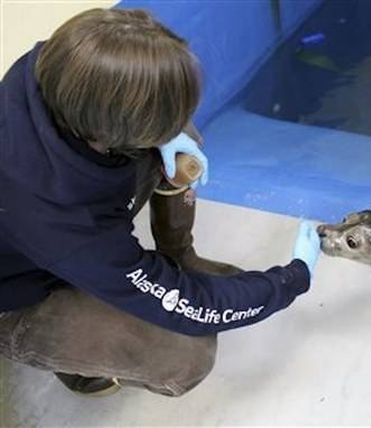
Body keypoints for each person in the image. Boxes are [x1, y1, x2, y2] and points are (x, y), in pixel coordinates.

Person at [0, 8, 321, 397]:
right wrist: (288, 281)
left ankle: (178, 255)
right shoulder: (67, 221)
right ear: (107, 129)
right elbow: (190, 306)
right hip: (16, 294)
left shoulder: (50, 64)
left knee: (181, 138)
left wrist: (167, 135)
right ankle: (79, 364)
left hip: (49, 229)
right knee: (183, 354)